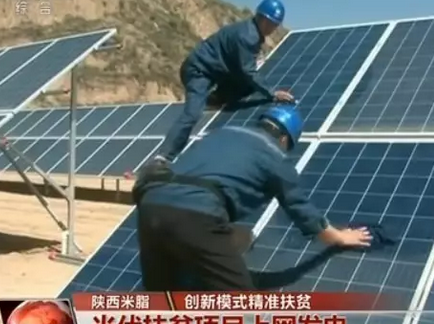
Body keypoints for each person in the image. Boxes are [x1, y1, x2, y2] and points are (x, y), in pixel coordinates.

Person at [134, 106, 373, 294]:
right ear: (284, 139)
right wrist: (339, 237)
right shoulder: (274, 156)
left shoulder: (221, 133)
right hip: (195, 215)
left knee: (160, 295)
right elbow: (299, 207)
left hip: (150, 204)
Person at [153, 0, 296, 166]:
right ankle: (164, 157)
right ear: (262, 19)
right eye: (272, 24)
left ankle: (215, 98)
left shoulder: (252, 31)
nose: (273, 28)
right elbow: (248, 72)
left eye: (276, 25)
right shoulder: (247, 36)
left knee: (249, 87)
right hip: (198, 71)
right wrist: (272, 93)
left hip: (217, 72)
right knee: (193, 113)